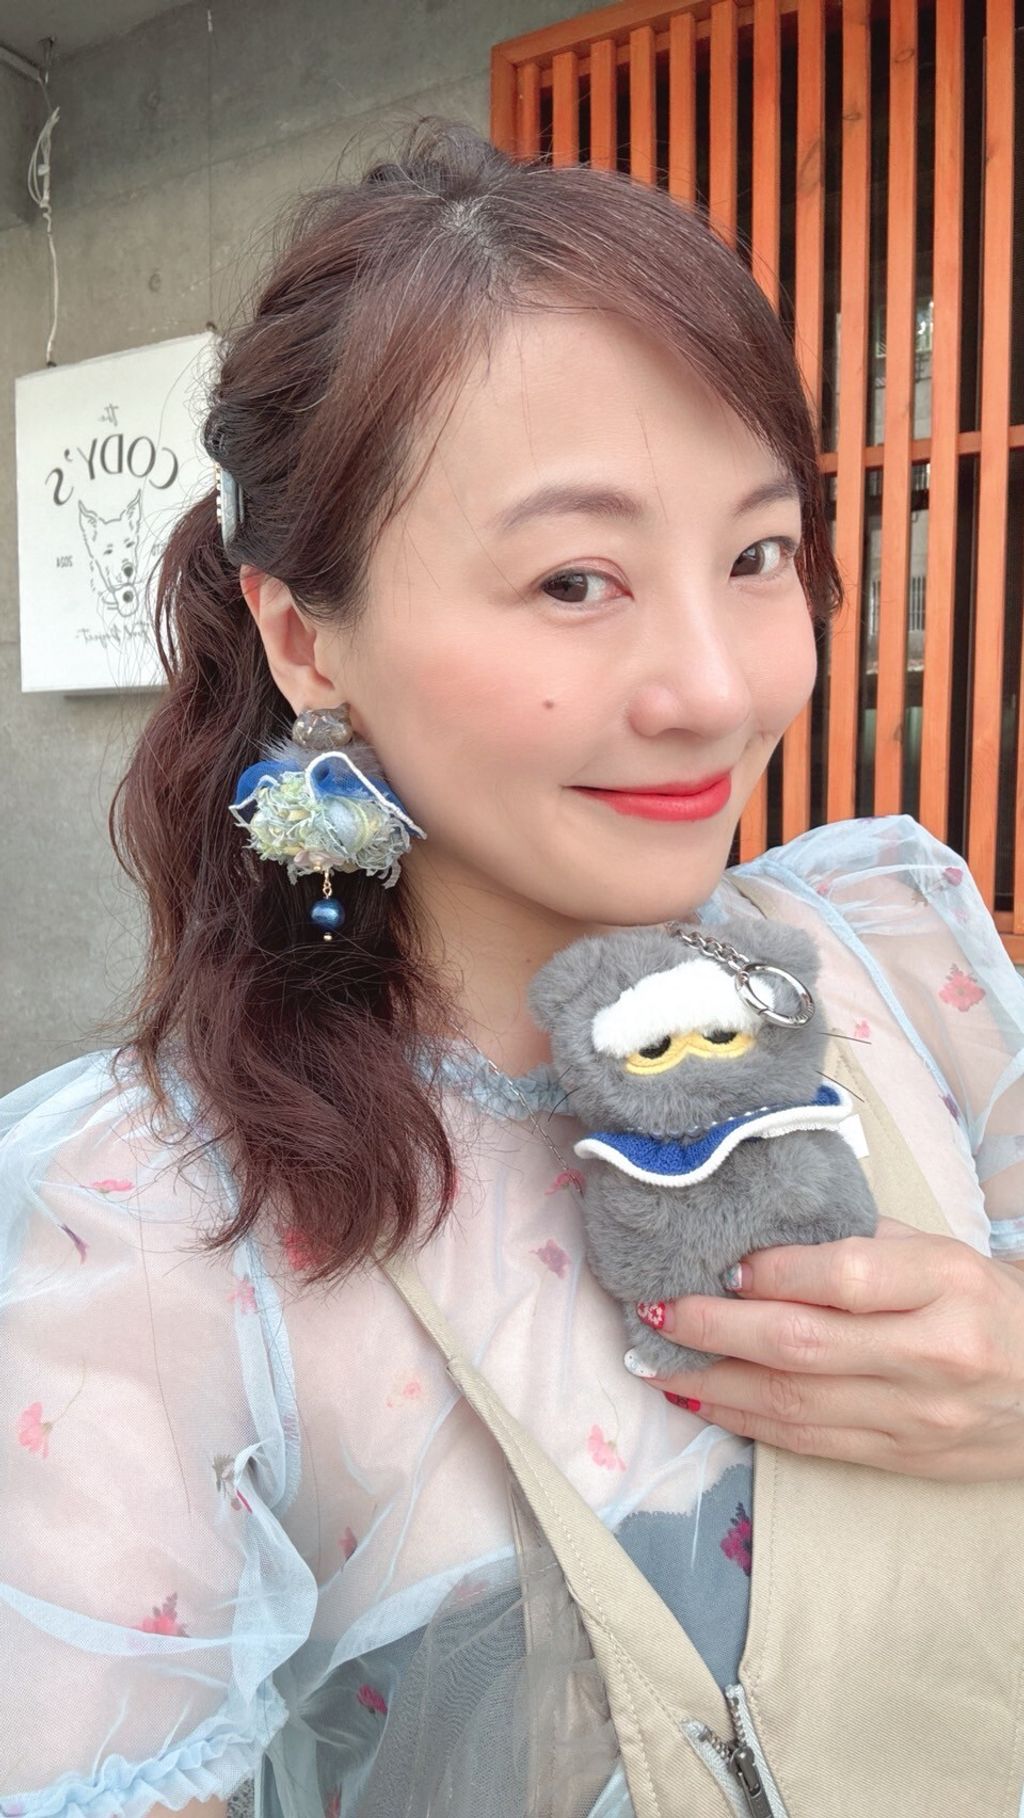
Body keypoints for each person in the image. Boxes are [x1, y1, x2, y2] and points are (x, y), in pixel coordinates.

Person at [2, 117, 1023, 1818]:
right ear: (305, 635)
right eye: (574, 579)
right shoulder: (159, 1240)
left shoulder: (904, 964)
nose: (715, 686)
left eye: (758, 554)